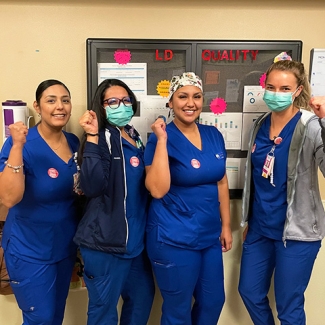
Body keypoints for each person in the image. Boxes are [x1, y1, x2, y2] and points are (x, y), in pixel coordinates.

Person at [238, 59, 325, 325]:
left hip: (297, 233)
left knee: (289, 307)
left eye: (285, 88)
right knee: (249, 292)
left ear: (298, 90)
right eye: (272, 87)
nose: (277, 94)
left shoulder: (311, 125)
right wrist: (248, 220)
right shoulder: (260, 124)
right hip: (260, 230)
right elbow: (255, 176)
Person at [144, 72, 233, 325]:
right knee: (178, 310)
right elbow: (157, 190)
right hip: (173, 238)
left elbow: (222, 181)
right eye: (182, 96)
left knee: (213, 301)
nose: (190, 103)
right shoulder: (159, 139)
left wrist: (226, 225)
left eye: (196, 96)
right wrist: (162, 140)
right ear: (170, 102)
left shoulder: (214, 134)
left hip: (209, 236)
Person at [73, 79, 155, 325]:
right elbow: (92, 186)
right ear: (101, 106)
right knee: (103, 312)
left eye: (126, 100)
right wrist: (92, 136)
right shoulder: (101, 136)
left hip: (134, 243)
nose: (122, 105)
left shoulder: (133, 134)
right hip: (105, 243)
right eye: (113, 101)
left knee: (142, 300)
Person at [0, 79, 80, 325]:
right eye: (51, 100)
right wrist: (17, 145)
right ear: (37, 106)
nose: (60, 106)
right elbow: (9, 198)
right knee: (40, 320)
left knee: (55, 316)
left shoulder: (74, 142)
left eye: (65, 100)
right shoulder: (21, 144)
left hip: (63, 248)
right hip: (29, 250)